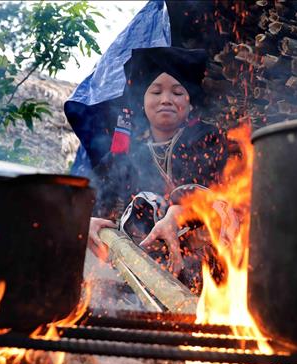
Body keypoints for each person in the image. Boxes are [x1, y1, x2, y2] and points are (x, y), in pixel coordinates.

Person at [87, 47, 231, 288]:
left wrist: (180, 213)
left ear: (190, 103)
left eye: (177, 92)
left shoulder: (210, 138)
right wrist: (90, 219)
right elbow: (100, 193)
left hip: (210, 263)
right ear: (142, 103)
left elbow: (221, 194)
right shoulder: (128, 153)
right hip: (148, 268)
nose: (166, 99)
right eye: (156, 91)